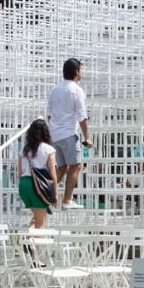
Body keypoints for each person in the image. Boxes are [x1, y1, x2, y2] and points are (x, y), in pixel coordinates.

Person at [47, 57, 92, 210]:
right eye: (80, 70)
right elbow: (82, 116)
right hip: (68, 134)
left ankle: (45, 196)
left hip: (54, 134)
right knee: (75, 166)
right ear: (76, 71)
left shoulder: (55, 89)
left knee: (62, 167)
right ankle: (67, 201)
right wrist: (87, 137)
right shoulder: (76, 90)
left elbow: (49, 114)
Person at [17, 119, 59, 229]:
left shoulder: (24, 150)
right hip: (38, 186)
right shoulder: (49, 149)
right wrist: (54, 195)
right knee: (40, 223)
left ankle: (29, 240)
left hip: (24, 184)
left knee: (37, 217)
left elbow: (19, 172)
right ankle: (33, 244)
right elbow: (52, 173)